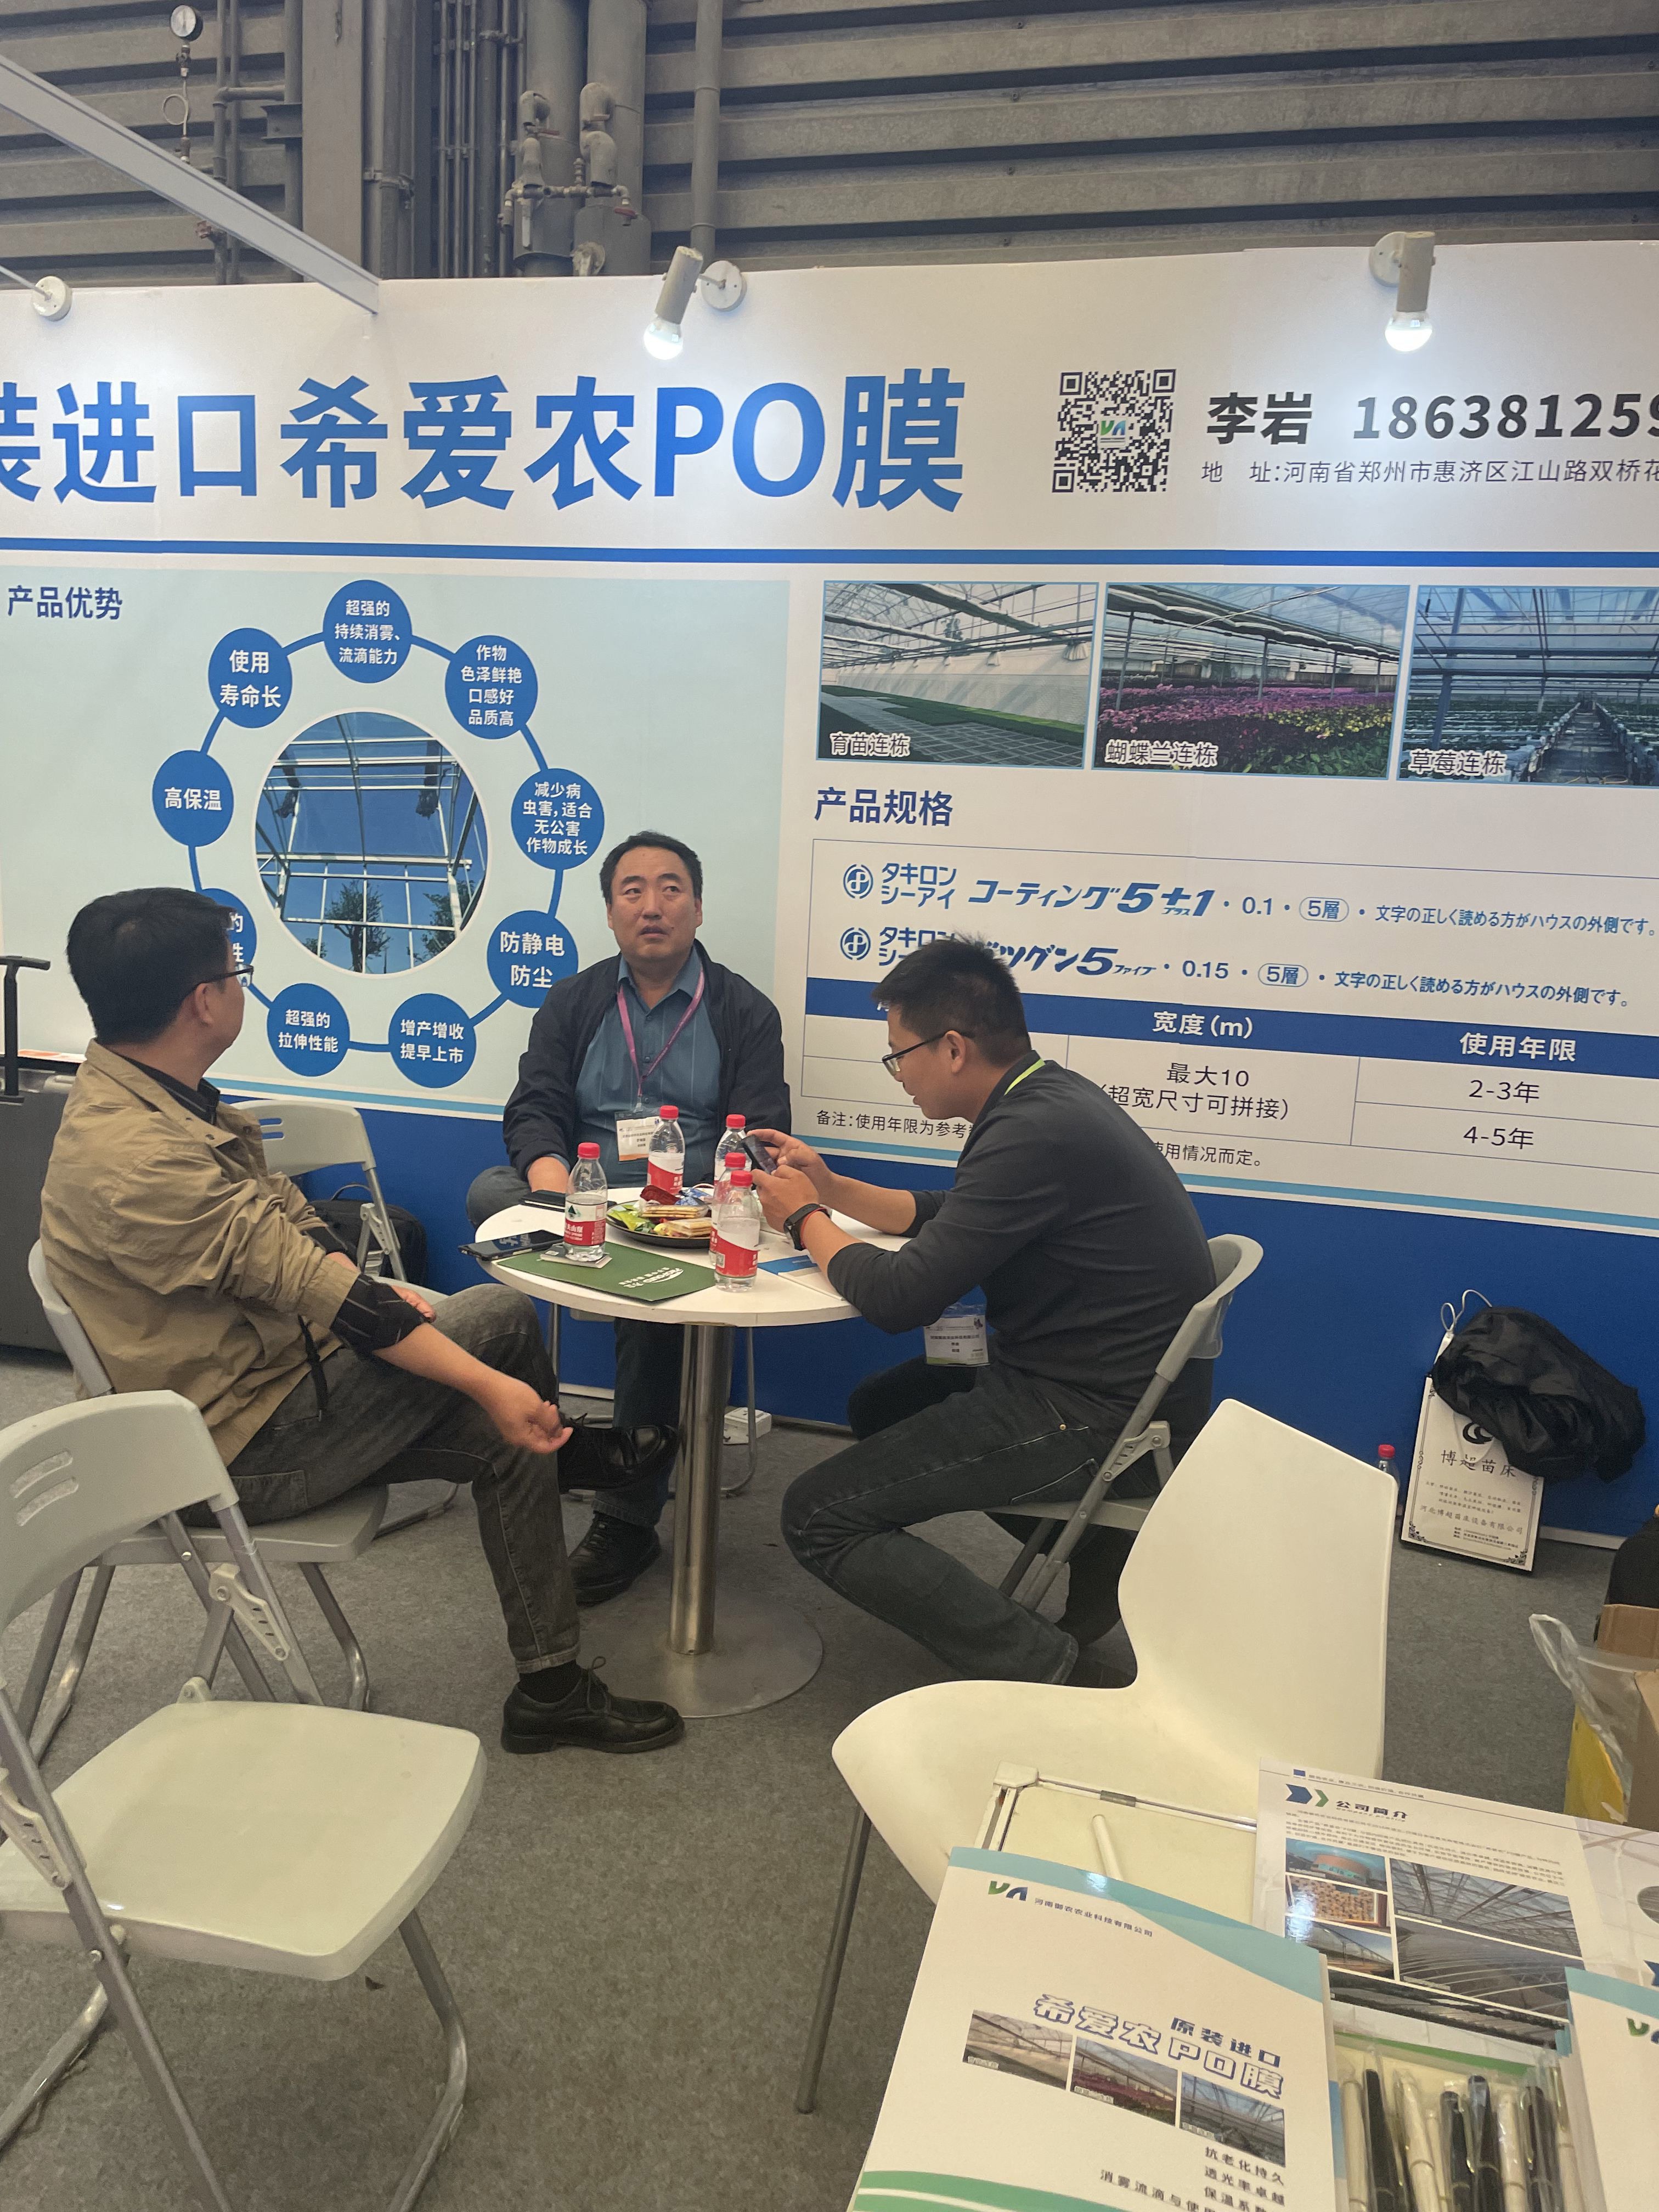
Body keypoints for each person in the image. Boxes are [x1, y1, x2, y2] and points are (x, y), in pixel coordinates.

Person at [39, 887, 682, 1756]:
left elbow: (288, 1221)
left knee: (501, 1418)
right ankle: (563, 1447)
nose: (240, 985)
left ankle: (550, 1681)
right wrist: (481, 1380)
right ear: (203, 1002)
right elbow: (324, 1293)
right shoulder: (138, 1159)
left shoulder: (155, 1096)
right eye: (236, 971)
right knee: (496, 1325)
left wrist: (380, 1300)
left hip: (265, 1386)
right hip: (224, 1451)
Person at [751, 936, 1216, 1687]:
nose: (898, 1073)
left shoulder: (1032, 1131)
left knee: (816, 1513)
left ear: (953, 1048)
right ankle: (1094, 1554)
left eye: (899, 1054)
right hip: (1108, 1383)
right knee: (882, 1405)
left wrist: (805, 1220)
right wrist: (830, 1190)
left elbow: (899, 1299)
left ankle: (1057, 1671)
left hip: (1095, 1413)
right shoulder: (1044, 1098)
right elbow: (955, 1214)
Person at [466, 831, 789, 1603]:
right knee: (489, 1196)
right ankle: (556, 1432)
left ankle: (626, 1520)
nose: (653, 906)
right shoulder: (574, 1001)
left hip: (692, 1210)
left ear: (699, 908)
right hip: (586, 1197)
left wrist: (701, 1203)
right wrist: (556, 1188)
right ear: (610, 912)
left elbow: (762, 1132)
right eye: (633, 890)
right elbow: (536, 1106)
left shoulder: (743, 1010)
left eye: (671, 888)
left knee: (655, 1302)